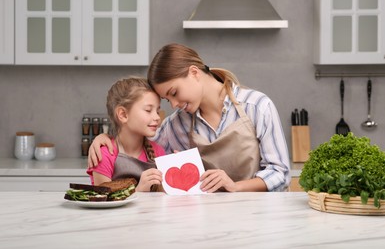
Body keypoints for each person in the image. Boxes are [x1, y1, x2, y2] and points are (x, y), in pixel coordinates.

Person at [88, 43, 290, 192]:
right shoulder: (177, 124)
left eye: (174, 93)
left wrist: (235, 187)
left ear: (194, 73)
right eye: (168, 100)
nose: (174, 105)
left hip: (257, 213)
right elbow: (137, 145)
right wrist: (106, 138)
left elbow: (280, 173)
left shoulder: (257, 107)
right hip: (205, 219)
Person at [87, 77, 166, 192]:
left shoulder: (158, 151)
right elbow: (103, 202)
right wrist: (138, 191)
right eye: (148, 110)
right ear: (123, 114)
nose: (157, 117)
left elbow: (163, 200)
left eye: (157, 111)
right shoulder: (104, 154)